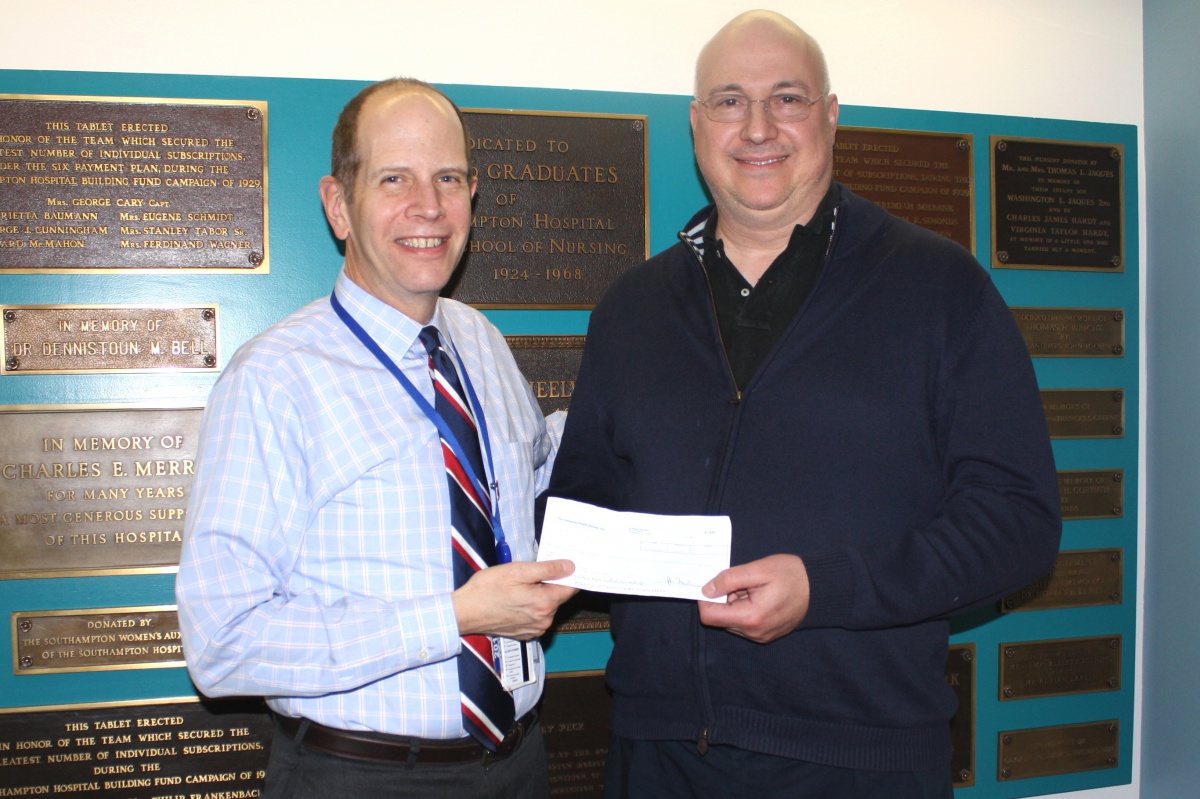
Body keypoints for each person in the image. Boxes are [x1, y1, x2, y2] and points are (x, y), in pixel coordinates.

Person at [546, 10, 1061, 799]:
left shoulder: (941, 289)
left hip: (863, 763)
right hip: (658, 757)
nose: (757, 126)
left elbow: (1019, 522)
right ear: (695, 123)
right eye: (728, 100)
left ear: (829, 115)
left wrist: (828, 588)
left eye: (786, 98)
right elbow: (587, 503)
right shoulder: (631, 307)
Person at [176, 77, 577, 799]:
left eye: (448, 178)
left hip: (518, 765)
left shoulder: (479, 341)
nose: (429, 206)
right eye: (396, 178)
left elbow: (537, 480)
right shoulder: (273, 379)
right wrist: (452, 616)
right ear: (339, 205)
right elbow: (221, 641)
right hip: (361, 776)